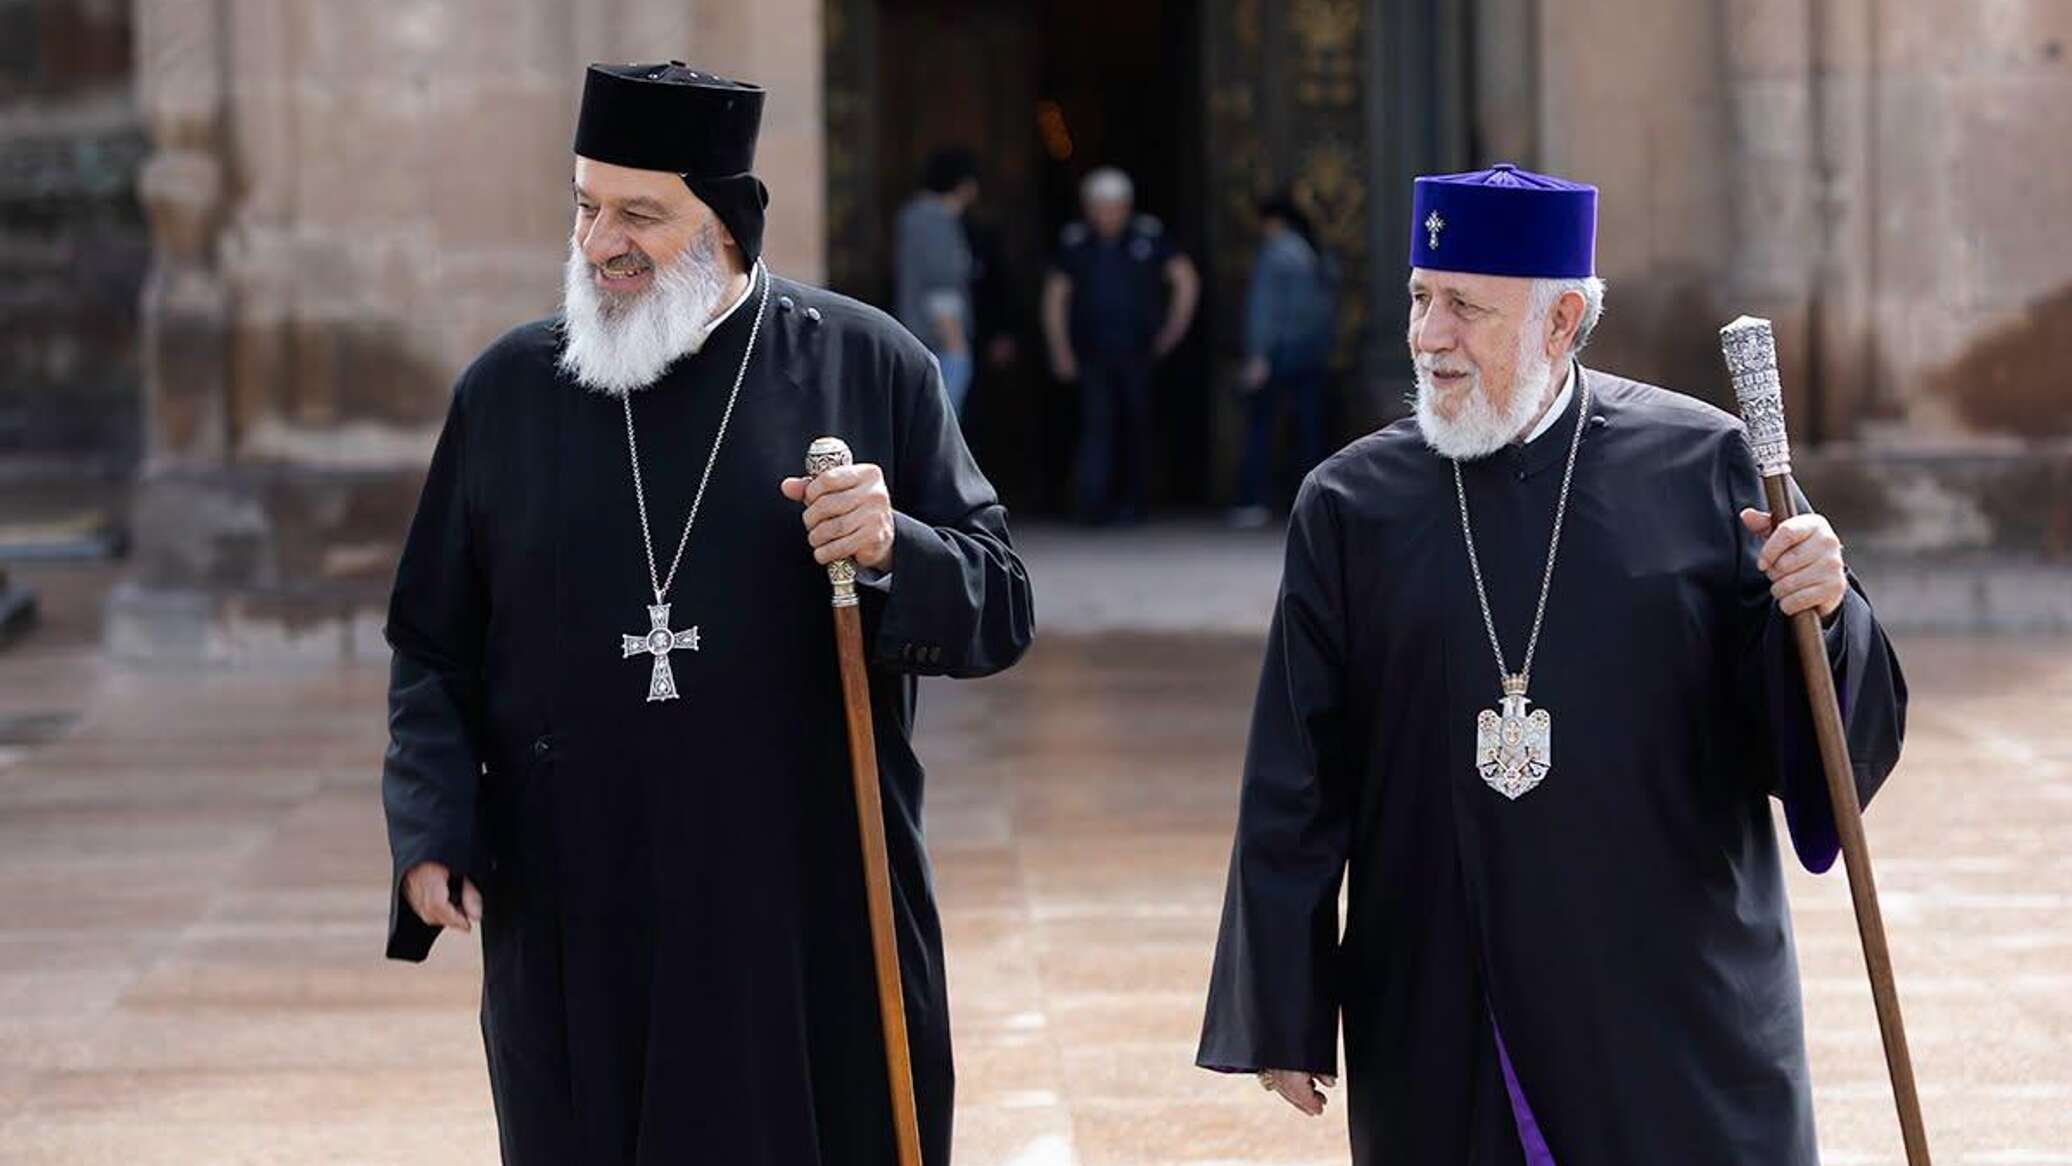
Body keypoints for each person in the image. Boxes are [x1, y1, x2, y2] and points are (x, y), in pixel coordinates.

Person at [380, 62, 1035, 1166]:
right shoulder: (507, 392)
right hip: (576, 900)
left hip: (803, 902)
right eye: (586, 205)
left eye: (639, 214)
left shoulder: (867, 364)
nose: (600, 242)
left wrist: (893, 544)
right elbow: (432, 644)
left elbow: (1000, 602)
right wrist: (433, 824)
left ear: (726, 223)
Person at [1196, 163, 1907, 1164]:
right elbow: (1296, 769)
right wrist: (1284, 999)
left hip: (1667, 1002)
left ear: (1561, 321)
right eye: (1418, 298)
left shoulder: (1704, 466)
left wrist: (1825, 611)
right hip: (1443, 994)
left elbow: (1809, 733)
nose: (1427, 335)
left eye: (1464, 308)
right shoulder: (1349, 505)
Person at [1042, 166, 1200, 524]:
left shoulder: (1148, 236)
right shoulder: (1076, 242)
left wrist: (1174, 329)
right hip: (1092, 350)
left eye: (1112, 207)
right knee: (1096, 426)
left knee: (1137, 423)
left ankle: (1135, 501)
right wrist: (1060, 349)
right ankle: (1092, 503)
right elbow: (1055, 296)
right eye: (1098, 207)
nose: (1105, 216)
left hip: (1138, 350)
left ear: (1126, 206)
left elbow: (1185, 278)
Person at [1231, 192, 1338, 528]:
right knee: (1308, 429)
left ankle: (1254, 499)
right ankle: (1315, 503)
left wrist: (1258, 355)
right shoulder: (1315, 253)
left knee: (1261, 427)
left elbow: (1264, 308)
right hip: (1311, 352)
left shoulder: (1276, 253)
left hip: (1279, 353)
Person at [895, 147, 981, 417]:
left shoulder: (917, 216)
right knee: (941, 420)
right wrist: (955, 344)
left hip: (926, 338)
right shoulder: (933, 219)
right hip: (939, 339)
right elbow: (940, 282)